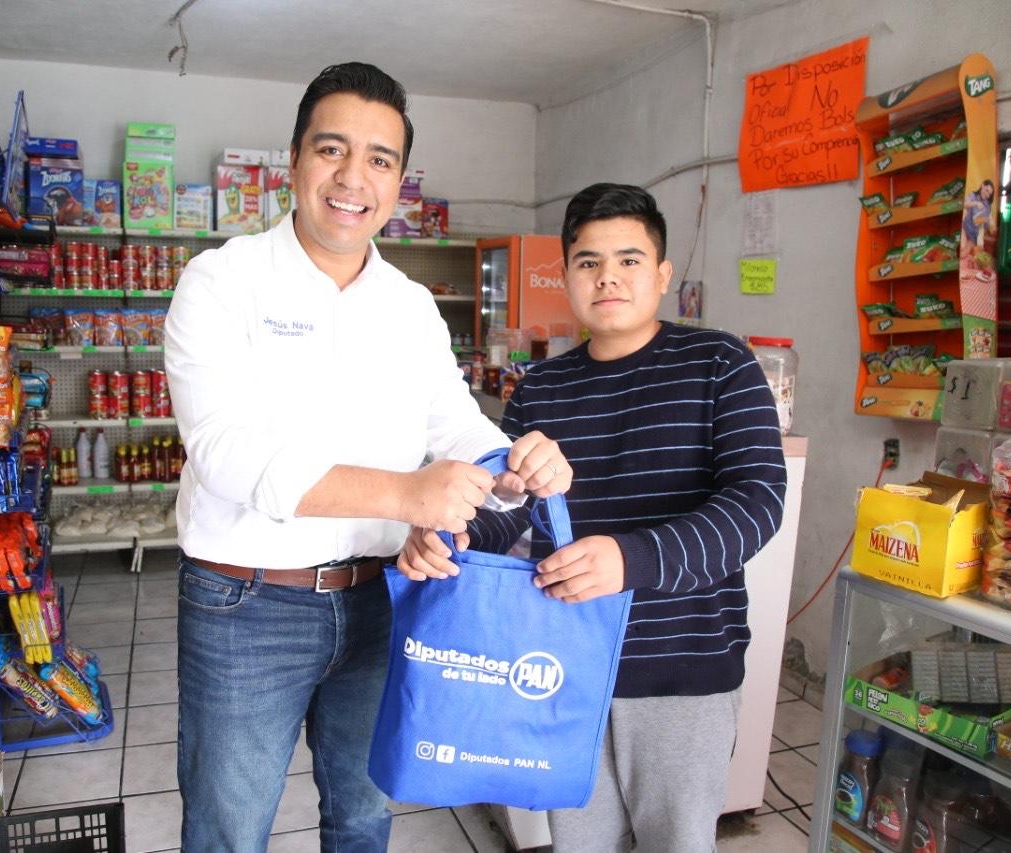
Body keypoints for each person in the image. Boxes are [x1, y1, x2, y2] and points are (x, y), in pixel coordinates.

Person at [164, 62, 572, 852]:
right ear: (293, 161)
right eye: (332, 150)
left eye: (380, 160)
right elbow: (226, 452)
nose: (354, 178)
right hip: (247, 608)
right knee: (227, 830)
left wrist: (514, 459)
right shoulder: (220, 283)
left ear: (398, 183)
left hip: (381, 604)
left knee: (362, 815)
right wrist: (406, 495)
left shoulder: (410, 307)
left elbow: (452, 421)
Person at [399, 183, 787, 852]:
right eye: (587, 262)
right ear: (568, 276)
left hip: (680, 671)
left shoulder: (721, 364)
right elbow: (509, 507)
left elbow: (757, 502)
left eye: (630, 259)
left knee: (677, 842)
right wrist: (452, 532)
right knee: (579, 842)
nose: (608, 276)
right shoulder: (542, 387)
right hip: (559, 664)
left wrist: (629, 559)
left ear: (662, 274)